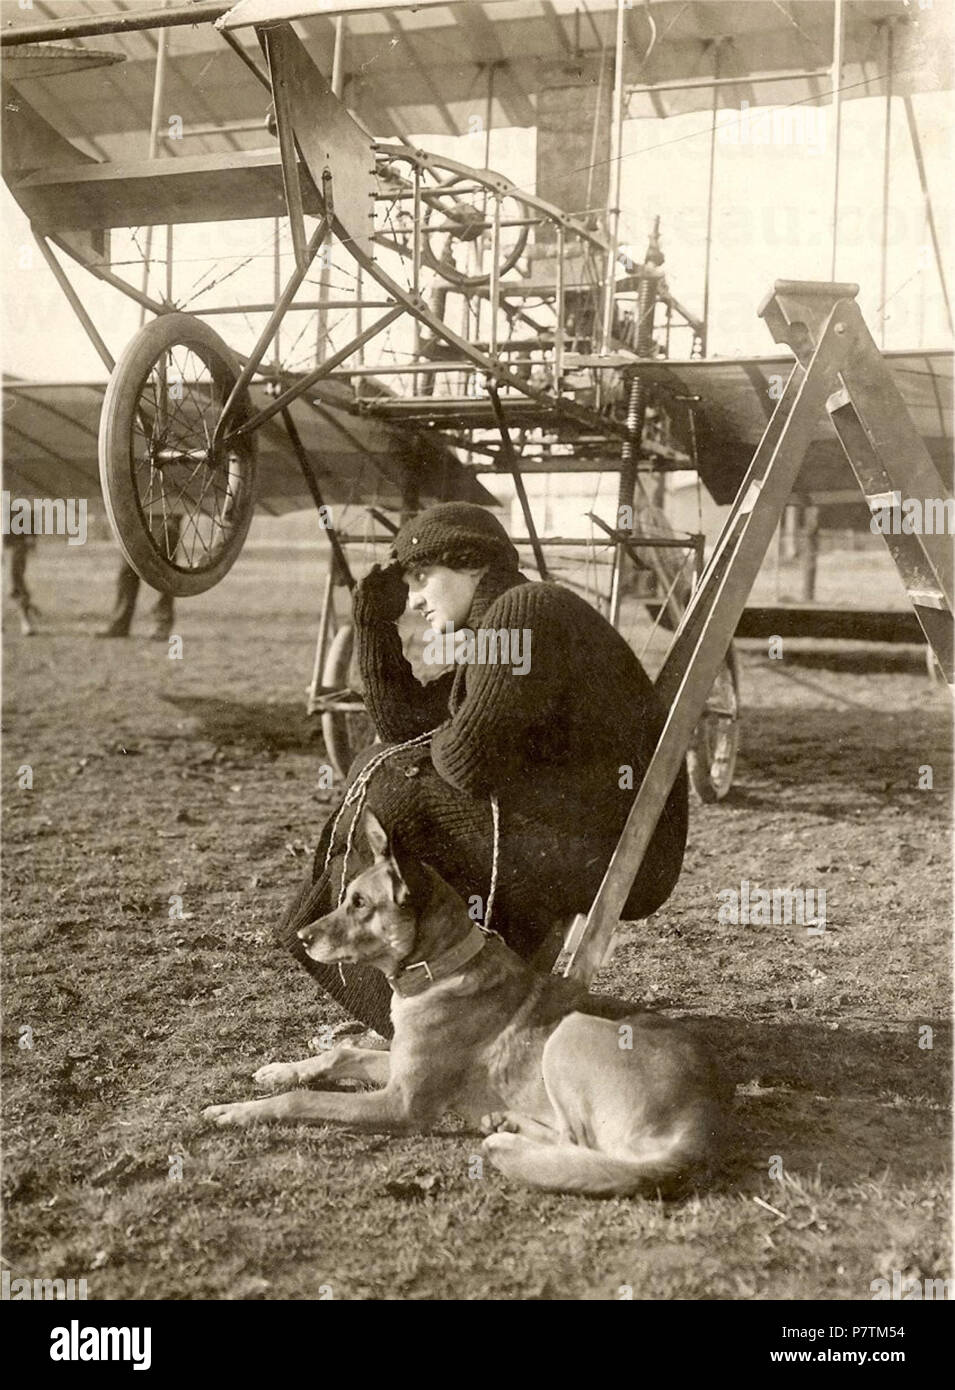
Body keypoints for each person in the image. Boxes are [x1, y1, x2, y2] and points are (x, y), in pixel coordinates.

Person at [277, 501, 688, 1038]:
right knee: (383, 775)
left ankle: (431, 1024)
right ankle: (428, 1015)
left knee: (395, 793)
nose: (416, 599)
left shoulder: (526, 612)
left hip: (615, 844)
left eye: (423, 577)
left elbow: (465, 763)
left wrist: (420, 754)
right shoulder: (503, 624)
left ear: (472, 565)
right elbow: (408, 729)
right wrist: (373, 626)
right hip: (591, 828)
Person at [97, 517, 180, 640]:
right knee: (128, 568)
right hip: (136, 512)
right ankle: (120, 624)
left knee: (164, 570)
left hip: (166, 512)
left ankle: (162, 624)